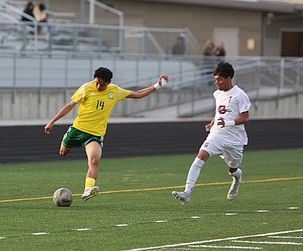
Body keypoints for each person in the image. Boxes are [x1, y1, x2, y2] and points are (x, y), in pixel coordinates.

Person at [45, 67, 169, 201]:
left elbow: (138, 94)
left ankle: (87, 189)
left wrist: (157, 85)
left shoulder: (115, 91)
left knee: (94, 160)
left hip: (95, 134)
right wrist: (52, 122)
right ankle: (67, 140)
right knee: (63, 153)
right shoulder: (86, 88)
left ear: (109, 82)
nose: (98, 86)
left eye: (102, 84)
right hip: (77, 130)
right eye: (96, 82)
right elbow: (70, 106)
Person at [172, 61, 251, 205]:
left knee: (233, 169)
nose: (217, 83)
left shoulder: (240, 95)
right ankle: (187, 193)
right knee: (200, 156)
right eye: (215, 79)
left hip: (234, 140)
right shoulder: (217, 94)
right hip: (217, 134)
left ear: (228, 78)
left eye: (219, 79)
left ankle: (237, 179)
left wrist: (228, 123)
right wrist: (213, 122)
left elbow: (245, 118)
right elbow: (220, 112)